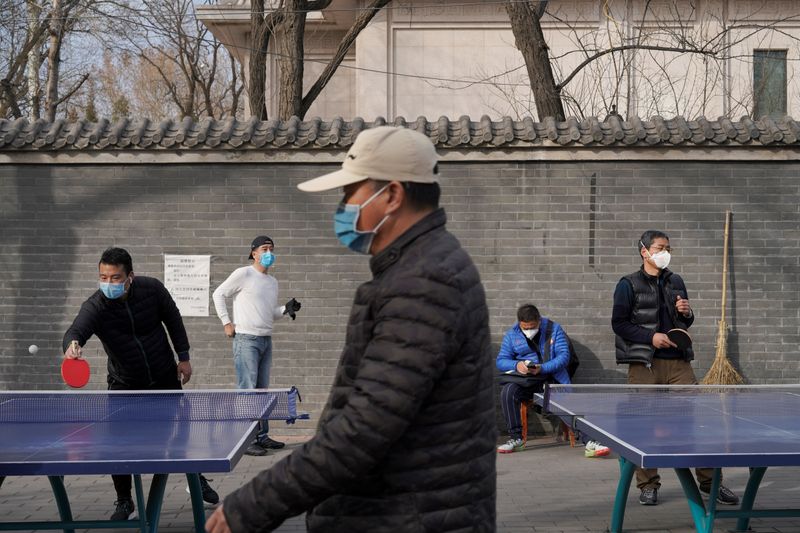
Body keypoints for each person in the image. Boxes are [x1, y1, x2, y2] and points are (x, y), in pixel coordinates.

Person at [205, 126, 496, 533]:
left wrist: (252, 506)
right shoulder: (420, 268)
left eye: (351, 193)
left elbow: (364, 428)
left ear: (392, 195)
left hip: (407, 516)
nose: (343, 207)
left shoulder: (424, 282)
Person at [62, 247, 219, 521]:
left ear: (130, 276)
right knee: (117, 446)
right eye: (103, 277)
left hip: (164, 377)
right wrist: (72, 345)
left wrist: (184, 357)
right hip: (125, 383)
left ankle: (197, 479)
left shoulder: (152, 289)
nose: (108, 283)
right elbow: (77, 329)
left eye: (115, 277)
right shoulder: (96, 306)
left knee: (180, 434)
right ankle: (124, 500)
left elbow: (174, 319)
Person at [613, 230, 739, 507]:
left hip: (679, 363)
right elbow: (618, 323)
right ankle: (648, 485)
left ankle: (710, 482)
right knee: (644, 426)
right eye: (660, 247)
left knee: (694, 424)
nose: (665, 252)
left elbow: (685, 323)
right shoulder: (628, 284)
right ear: (644, 251)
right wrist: (650, 337)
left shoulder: (676, 280)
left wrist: (686, 312)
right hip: (644, 364)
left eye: (668, 248)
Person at [212, 235, 302, 456]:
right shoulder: (243, 273)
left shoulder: (272, 282)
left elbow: (268, 313)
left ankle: (261, 436)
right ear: (254, 253)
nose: (268, 252)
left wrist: (285, 310)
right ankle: (246, 440)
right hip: (246, 340)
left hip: (265, 339)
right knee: (247, 390)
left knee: (262, 391)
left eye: (271, 248)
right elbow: (218, 294)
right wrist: (226, 322)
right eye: (264, 248)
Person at [495, 304, 610, 457]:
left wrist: (542, 368)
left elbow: (564, 357)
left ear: (539, 321)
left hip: (552, 378)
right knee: (508, 391)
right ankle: (516, 439)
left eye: (532, 327)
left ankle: (590, 442)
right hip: (526, 381)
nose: (529, 331)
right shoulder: (512, 335)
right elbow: (501, 361)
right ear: (519, 324)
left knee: (565, 403)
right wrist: (517, 365)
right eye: (525, 328)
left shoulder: (554, 330)